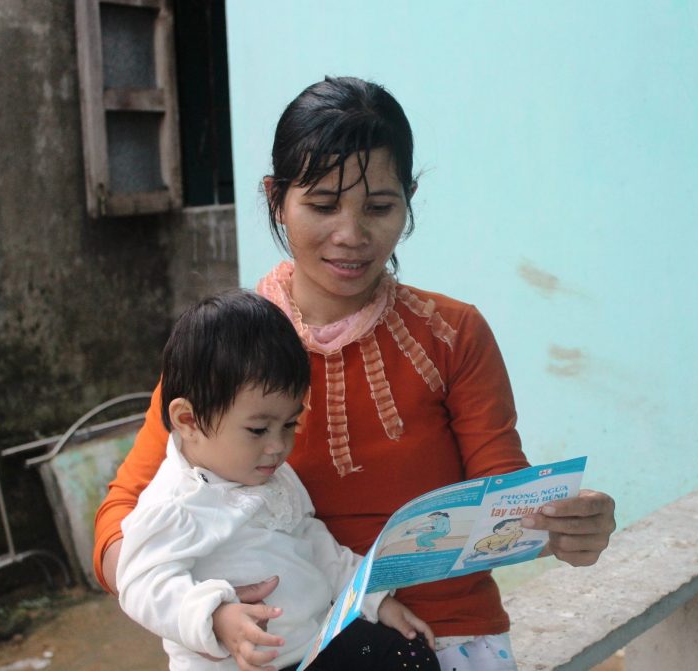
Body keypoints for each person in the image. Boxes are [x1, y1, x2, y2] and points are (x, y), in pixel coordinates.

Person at [95, 75, 617, 671]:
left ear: (409, 199)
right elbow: (119, 525)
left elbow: (503, 497)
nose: (351, 236)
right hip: (273, 647)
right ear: (275, 198)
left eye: (379, 207)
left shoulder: (453, 334)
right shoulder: (222, 353)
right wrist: (204, 608)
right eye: (321, 205)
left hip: (440, 633)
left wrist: (562, 525)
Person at [116, 290, 438, 671]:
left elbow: (315, 543)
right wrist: (214, 616)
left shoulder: (272, 474)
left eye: (289, 425)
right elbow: (141, 586)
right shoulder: (175, 504)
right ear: (188, 421)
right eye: (257, 430)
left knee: (407, 654)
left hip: (316, 644)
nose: (278, 446)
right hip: (246, 665)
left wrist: (374, 599)